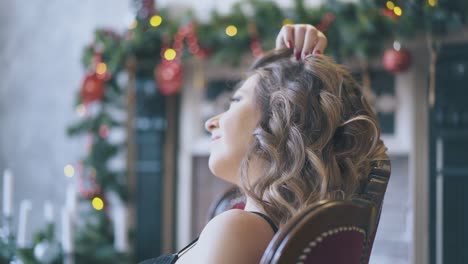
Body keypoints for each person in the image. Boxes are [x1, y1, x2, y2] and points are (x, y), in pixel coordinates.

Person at [140, 24, 387, 264]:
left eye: (235, 101)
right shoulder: (254, 230)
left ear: (279, 118)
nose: (211, 123)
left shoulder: (236, 231)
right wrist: (288, 63)